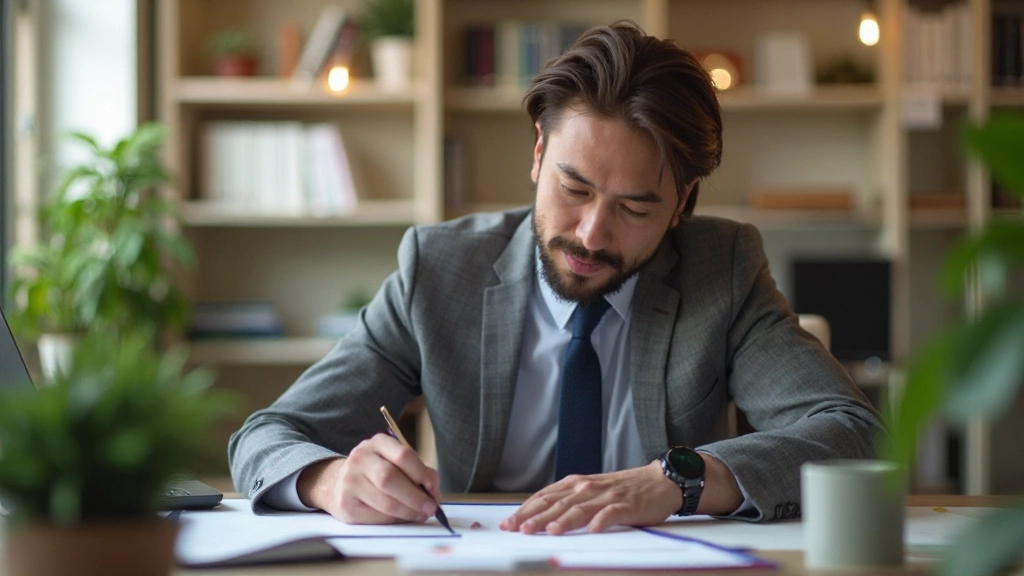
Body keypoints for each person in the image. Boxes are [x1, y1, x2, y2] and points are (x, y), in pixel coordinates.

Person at [229, 21, 881, 533]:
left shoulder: (724, 268)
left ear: (681, 204)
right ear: (538, 154)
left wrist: (677, 481)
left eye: (635, 207)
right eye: (575, 187)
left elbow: (852, 432)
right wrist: (329, 480)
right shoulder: (439, 272)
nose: (593, 234)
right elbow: (265, 438)